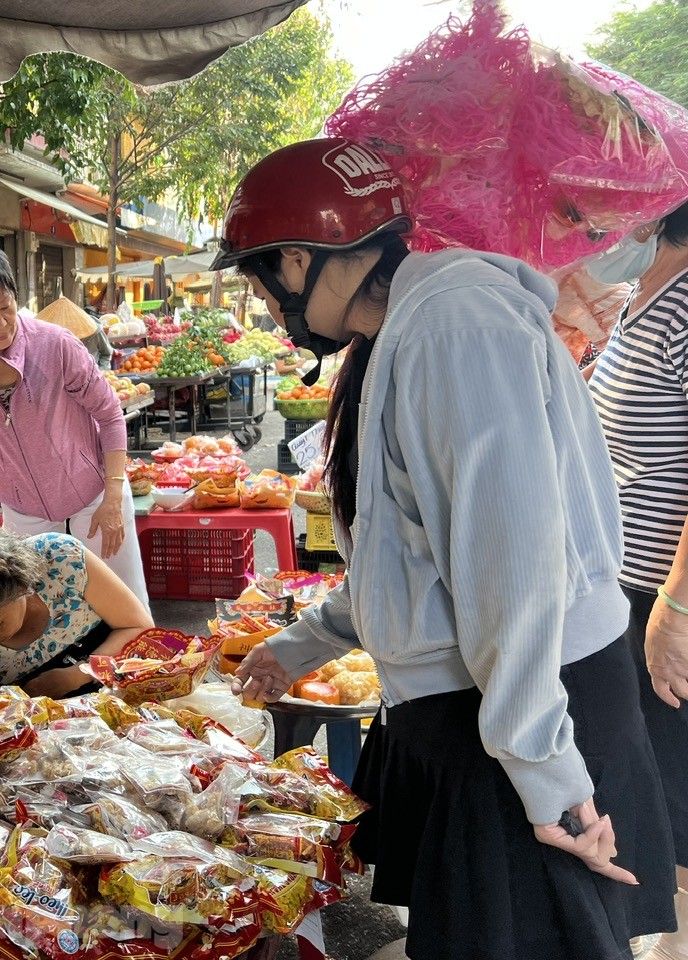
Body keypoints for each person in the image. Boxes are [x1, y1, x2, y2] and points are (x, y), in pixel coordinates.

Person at [217, 137, 676, 960]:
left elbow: (511, 568)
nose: (260, 304)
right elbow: (415, 550)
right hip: (495, 712)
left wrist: (549, 777)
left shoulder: (453, 326)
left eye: (256, 280)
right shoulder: (413, 329)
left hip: (525, 710)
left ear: (296, 260)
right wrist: (306, 641)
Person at [587, 201, 688, 960]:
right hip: (626, 589)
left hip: (664, 594)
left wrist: (676, 608)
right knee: (650, 791)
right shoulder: (641, 296)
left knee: (676, 800)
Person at [0, 246, 148, 607]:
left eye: (6, 307)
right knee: (48, 618)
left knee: (124, 609)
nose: (0, 323)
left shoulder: (56, 345)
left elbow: (110, 414)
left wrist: (113, 497)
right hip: (25, 514)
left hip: (96, 500)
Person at [0, 526, 153, 698]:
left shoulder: (60, 560)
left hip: (117, 685)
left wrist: (78, 674)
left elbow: (137, 627)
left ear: (23, 588)